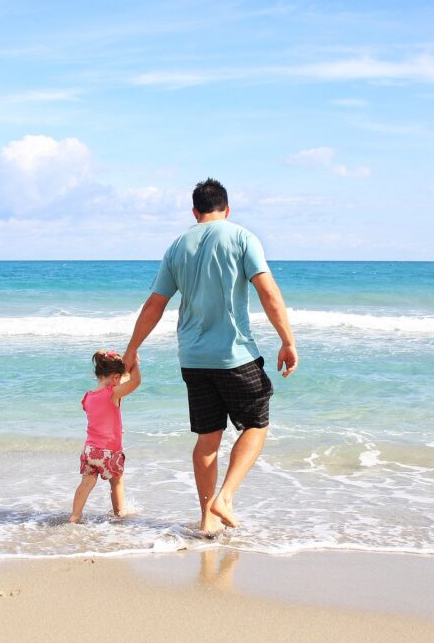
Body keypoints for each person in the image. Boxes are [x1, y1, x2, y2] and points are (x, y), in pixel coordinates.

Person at [122, 177, 297, 535]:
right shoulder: (242, 237)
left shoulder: (177, 246)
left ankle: (207, 520)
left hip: (193, 358)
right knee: (257, 425)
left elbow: (155, 304)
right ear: (227, 209)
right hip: (233, 355)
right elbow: (267, 292)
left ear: (195, 211)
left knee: (207, 438)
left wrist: (132, 348)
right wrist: (287, 340)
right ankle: (225, 498)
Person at [68, 349, 142, 523]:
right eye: (118, 378)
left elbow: (101, 416)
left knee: (86, 483)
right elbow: (136, 381)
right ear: (115, 378)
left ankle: (75, 516)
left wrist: (123, 370)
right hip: (109, 452)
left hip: (90, 451)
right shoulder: (113, 394)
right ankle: (119, 515)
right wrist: (135, 363)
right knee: (116, 482)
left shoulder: (87, 397)